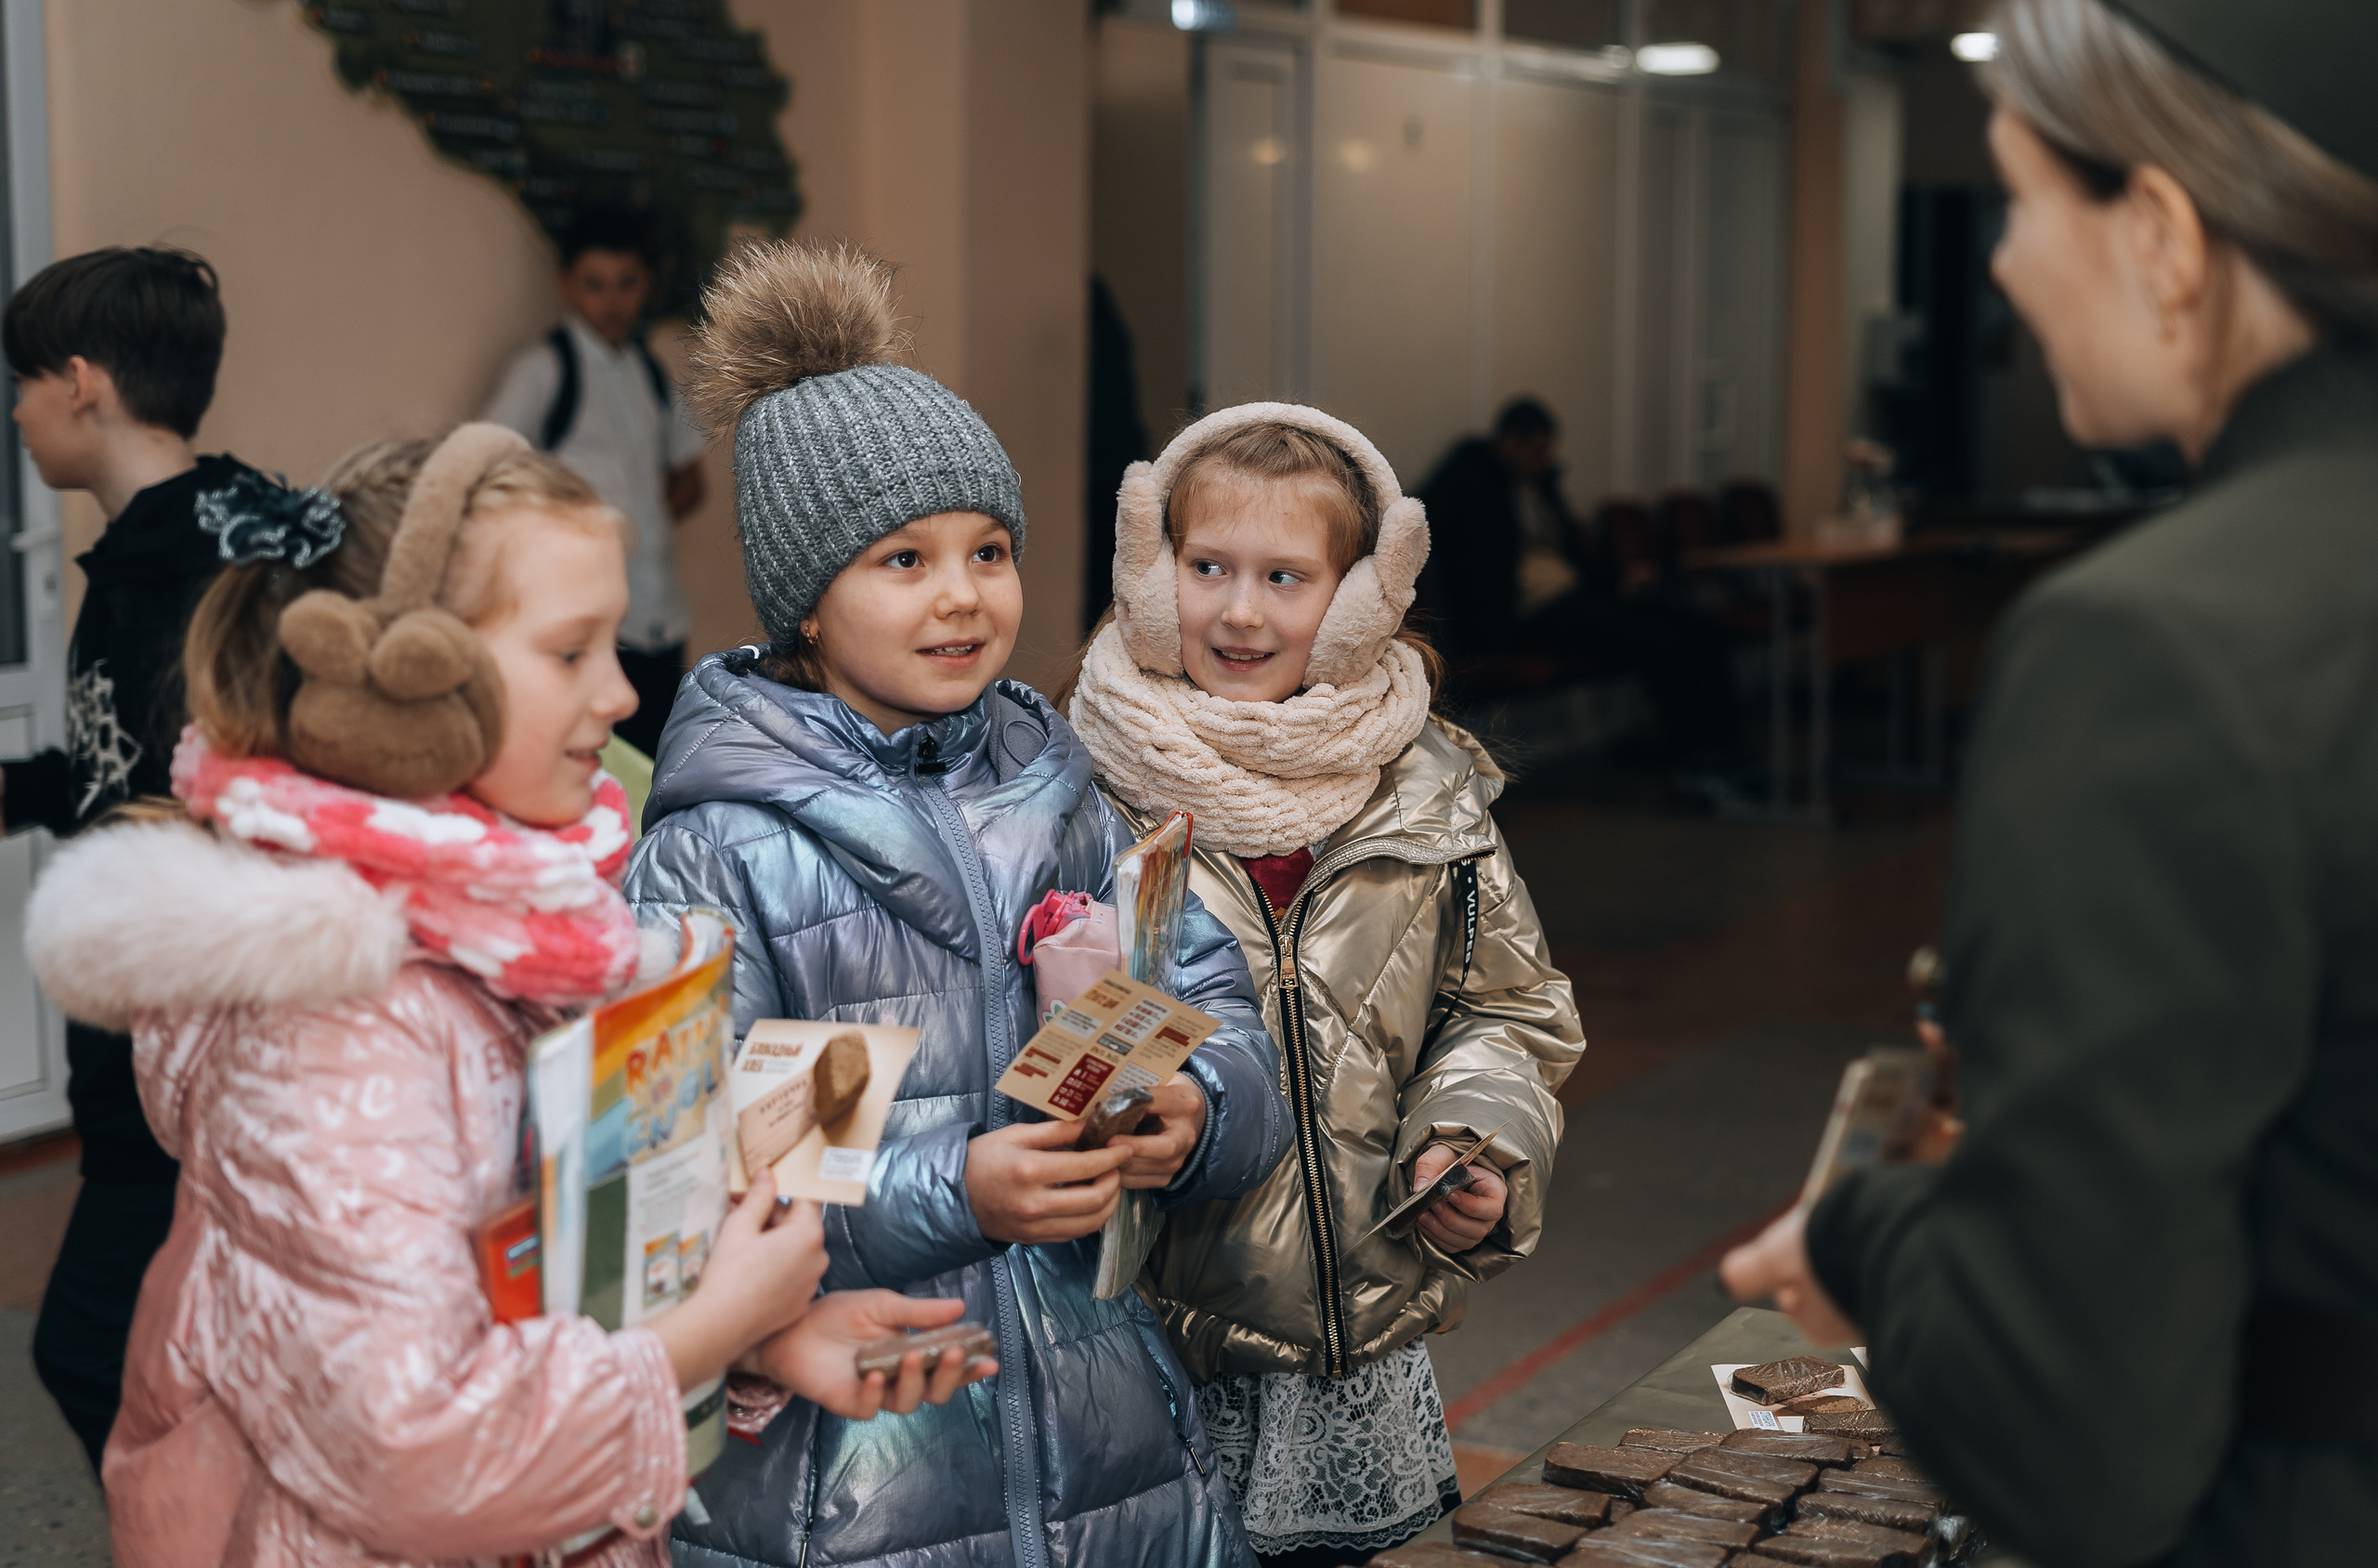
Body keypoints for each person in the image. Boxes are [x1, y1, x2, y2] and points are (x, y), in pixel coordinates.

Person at [23, 425, 986, 1566]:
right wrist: (713, 1322)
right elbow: (412, 1449)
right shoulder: (337, 1024)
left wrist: (751, 1348)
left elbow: (516, 1302)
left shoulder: (516, 939)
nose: (621, 692)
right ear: (402, 685)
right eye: (570, 652)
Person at [1721, 0, 2378, 1565]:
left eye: (2020, 198)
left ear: (2161, 229)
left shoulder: (2160, 648)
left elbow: (2071, 1434)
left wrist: (1872, 1232)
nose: (2006, 264)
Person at [623, 240, 1291, 1568]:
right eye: (902, 559)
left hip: (1109, 1438)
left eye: (990, 548)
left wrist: (1196, 1104)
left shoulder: (1060, 790)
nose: (963, 594)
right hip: (858, 1471)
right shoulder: (737, 852)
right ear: (805, 604)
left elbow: (1205, 994)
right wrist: (963, 1187)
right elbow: (709, 1177)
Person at [1066, 404, 1586, 1565]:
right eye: (1206, 568)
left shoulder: (1426, 795)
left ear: (1361, 603)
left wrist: (1476, 1138)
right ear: (1150, 578)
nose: (1240, 610)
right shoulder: (1083, 791)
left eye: (1287, 577)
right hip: (1149, 1343)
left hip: (1354, 1354)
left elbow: (1506, 1008)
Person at [0, 245, 252, 1471]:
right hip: (127, 1043)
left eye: (26, 381)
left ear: (84, 382)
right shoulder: (137, 555)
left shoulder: (199, 570)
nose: (16, 411)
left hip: (183, 1033)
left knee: (87, 1344)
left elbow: (212, 799)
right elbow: (115, 770)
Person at [1416, 399, 1747, 802]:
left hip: (1570, 596)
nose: (1545, 459)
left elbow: (1571, 555)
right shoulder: (1472, 477)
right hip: (1526, 613)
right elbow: (1422, 513)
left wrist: (1619, 579)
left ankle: (1720, 746)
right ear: (1507, 443)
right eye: (1536, 449)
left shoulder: (1540, 486)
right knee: (1657, 638)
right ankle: (1696, 751)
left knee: (1691, 624)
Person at [482, 205, 708, 755]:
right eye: (594, 284)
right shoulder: (544, 369)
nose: (612, 301)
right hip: (589, 625)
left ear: (646, 286)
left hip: (660, 616)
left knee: (660, 768)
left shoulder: (651, 373)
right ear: (566, 285)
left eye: (627, 284)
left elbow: (690, 478)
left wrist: (640, 526)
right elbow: (486, 466)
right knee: (599, 763)